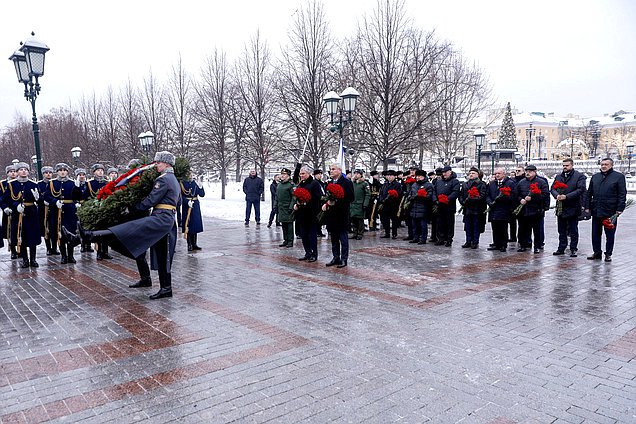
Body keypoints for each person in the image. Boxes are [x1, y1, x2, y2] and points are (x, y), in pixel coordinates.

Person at [65, 151, 180, 299]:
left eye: (158, 162)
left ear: (167, 164)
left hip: (161, 218)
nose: (156, 164)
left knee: (129, 230)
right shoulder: (173, 179)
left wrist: (131, 208)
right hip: (166, 218)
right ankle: (166, 288)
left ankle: (89, 235)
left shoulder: (163, 180)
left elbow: (150, 201)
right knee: (164, 254)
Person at [585, 158, 627, 262]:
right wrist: (587, 206)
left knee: (610, 234)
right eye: (602, 164)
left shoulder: (618, 177)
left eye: (606, 164)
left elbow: (622, 194)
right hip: (596, 210)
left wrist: (619, 208)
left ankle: (608, 254)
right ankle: (597, 252)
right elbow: (589, 193)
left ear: (611, 165)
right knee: (595, 233)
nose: (603, 166)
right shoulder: (595, 177)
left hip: (610, 211)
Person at [42, 163, 83, 264]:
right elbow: (46, 196)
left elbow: (77, 197)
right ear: (57, 172)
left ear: (67, 172)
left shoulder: (72, 183)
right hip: (57, 211)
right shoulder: (52, 183)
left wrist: (77, 188)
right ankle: (63, 256)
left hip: (70, 211)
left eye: (65, 170)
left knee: (71, 233)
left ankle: (71, 255)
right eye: (60, 170)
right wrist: (55, 202)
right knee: (59, 233)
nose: (63, 172)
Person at [4, 162, 41, 268]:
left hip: (31, 213)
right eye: (21, 169)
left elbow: (39, 201)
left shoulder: (33, 184)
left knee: (32, 236)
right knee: (22, 236)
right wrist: (16, 205)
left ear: (28, 172)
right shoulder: (11, 184)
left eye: (25, 169)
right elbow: (7, 199)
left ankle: (33, 259)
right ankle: (25, 259)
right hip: (18, 213)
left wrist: (37, 198)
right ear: (17, 172)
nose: (23, 171)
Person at [551, 158, 587, 257]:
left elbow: (580, 189)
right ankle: (561, 247)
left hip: (573, 206)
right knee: (561, 229)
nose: (565, 167)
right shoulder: (559, 177)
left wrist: (567, 196)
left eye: (567, 165)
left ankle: (573, 248)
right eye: (563, 165)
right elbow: (552, 188)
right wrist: (556, 195)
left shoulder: (579, 176)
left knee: (573, 229)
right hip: (561, 207)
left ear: (572, 165)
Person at [322, 164, 354, 268]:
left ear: (339, 170)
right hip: (332, 215)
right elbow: (327, 196)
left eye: (333, 169)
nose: (331, 171)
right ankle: (335, 257)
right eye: (330, 169)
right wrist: (326, 203)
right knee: (334, 238)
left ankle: (344, 259)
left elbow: (351, 198)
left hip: (341, 214)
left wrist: (336, 201)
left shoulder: (346, 182)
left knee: (343, 238)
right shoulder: (330, 183)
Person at [514, 164, 549, 253]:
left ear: (535, 172)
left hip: (536, 209)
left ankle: (537, 246)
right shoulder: (521, 182)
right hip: (524, 210)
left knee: (537, 230)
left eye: (530, 172)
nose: (527, 173)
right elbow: (516, 194)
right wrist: (520, 199)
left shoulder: (541, 182)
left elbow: (545, 194)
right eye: (526, 171)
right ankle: (523, 245)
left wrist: (533, 198)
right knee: (523, 229)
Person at [293, 166, 323, 262]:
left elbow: (317, 198)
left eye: (303, 174)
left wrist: (305, 202)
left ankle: (314, 254)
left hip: (311, 213)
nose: (301, 176)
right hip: (302, 214)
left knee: (312, 235)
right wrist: (297, 203)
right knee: (304, 234)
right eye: (300, 174)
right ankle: (307, 252)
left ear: (309, 174)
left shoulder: (314, 184)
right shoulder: (301, 184)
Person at [486, 167, 516, 252]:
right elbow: (487, 195)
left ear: (503, 174)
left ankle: (503, 244)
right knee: (494, 227)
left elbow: (513, 196)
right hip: (493, 209)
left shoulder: (510, 183)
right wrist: (489, 202)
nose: (497, 175)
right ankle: (496, 243)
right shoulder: (492, 184)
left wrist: (503, 198)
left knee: (503, 228)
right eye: (495, 174)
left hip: (504, 209)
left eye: (499, 173)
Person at [459, 167, 487, 249]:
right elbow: (461, 195)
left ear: (478, 175)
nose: (471, 175)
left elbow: (482, 196)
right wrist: (462, 202)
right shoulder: (465, 184)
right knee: (467, 226)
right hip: (467, 209)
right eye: (470, 173)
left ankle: (475, 241)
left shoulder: (482, 184)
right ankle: (468, 241)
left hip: (477, 209)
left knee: (476, 226)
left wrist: (471, 199)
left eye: (473, 173)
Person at [433, 166, 460, 247]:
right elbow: (434, 191)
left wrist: (446, 199)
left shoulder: (455, 181)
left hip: (449, 206)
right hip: (439, 206)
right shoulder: (438, 182)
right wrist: (436, 200)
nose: (444, 174)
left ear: (450, 172)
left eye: (446, 172)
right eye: (443, 172)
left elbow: (455, 192)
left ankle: (449, 239)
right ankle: (441, 238)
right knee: (440, 223)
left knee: (449, 224)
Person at [407, 169, 436, 244]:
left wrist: (421, 197)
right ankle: (415, 237)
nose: (418, 178)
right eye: (417, 176)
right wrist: (411, 198)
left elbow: (429, 196)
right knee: (415, 225)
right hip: (414, 207)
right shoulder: (414, 185)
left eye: (419, 176)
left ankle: (423, 238)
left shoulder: (428, 185)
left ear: (423, 176)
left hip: (423, 207)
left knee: (423, 225)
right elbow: (410, 194)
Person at [180, 172, 205, 251]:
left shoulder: (195, 183)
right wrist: (186, 202)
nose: (190, 176)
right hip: (187, 205)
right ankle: (189, 244)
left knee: (195, 225)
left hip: (195, 205)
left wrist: (200, 187)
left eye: (191, 174)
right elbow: (180, 196)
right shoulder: (182, 183)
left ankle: (194, 244)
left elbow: (202, 194)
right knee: (188, 224)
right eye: (189, 174)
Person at [377, 170, 402, 239]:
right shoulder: (385, 184)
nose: (389, 177)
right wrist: (382, 200)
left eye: (391, 175)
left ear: (394, 176)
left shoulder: (397, 185)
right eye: (388, 175)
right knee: (385, 220)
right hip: (385, 205)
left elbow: (399, 194)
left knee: (394, 220)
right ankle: (387, 233)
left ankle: (394, 233)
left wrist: (391, 198)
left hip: (393, 205)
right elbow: (381, 193)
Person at [37, 166, 55, 255]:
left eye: (50, 173)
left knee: (54, 228)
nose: (48, 174)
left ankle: (55, 247)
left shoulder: (54, 183)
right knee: (45, 228)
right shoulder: (39, 184)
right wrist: (41, 200)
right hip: (42, 209)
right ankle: (49, 248)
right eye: (46, 173)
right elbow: (37, 196)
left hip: (53, 208)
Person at [1, 165, 18, 257]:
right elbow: (1, 198)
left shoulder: (18, 182)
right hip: (8, 210)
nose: (13, 173)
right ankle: (13, 250)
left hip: (18, 209)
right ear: (7, 173)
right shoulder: (3, 184)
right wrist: (5, 207)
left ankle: (20, 248)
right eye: (10, 171)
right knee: (10, 230)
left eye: (14, 171)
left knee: (19, 229)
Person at [275, 168, 295, 247]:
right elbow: (277, 196)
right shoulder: (279, 184)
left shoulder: (291, 185)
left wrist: (291, 207)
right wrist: (275, 205)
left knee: (289, 224)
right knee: (283, 224)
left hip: (288, 208)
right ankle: (285, 240)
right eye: (282, 174)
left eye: (284, 174)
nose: (282, 176)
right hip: (281, 207)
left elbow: (294, 197)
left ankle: (290, 241)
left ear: (288, 176)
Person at [350, 169, 371, 240]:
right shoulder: (352, 183)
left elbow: (368, 194)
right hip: (353, 204)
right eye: (355, 173)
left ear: (361, 175)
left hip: (360, 204)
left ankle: (360, 233)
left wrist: (365, 204)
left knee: (360, 220)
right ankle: (355, 233)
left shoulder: (364, 183)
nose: (356, 175)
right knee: (353, 219)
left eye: (358, 173)